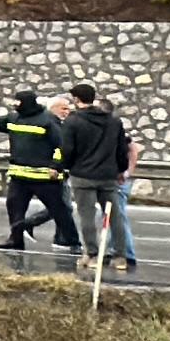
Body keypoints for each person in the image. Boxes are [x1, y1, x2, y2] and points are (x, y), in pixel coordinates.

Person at [0, 89, 78, 253]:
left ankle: (72, 242)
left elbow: (61, 145)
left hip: (44, 177)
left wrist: (55, 166)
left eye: (18, 102)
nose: (15, 105)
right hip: (19, 176)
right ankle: (16, 239)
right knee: (14, 207)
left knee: (59, 210)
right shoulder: (15, 118)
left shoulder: (48, 120)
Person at [59, 84, 138, 275]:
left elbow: (67, 149)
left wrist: (62, 166)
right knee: (114, 216)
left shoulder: (73, 121)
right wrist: (121, 171)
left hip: (82, 175)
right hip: (108, 175)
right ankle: (120, 257)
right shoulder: (114, 122)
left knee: (86, 216)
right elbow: (121, 150)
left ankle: (92, 255)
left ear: (77, 100)